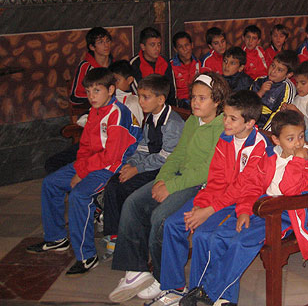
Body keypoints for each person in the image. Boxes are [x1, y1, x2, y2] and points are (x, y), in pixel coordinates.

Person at [108, 73, 230, 304]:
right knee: (133, 202)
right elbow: (177, 155)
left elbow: (207, 169)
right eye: (193, 97)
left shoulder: (221, 127)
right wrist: (161, 181)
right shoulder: (193, 121)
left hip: (197, 184)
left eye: (202, 98)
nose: (195, 102)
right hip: (177, 177)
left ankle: (165, 280)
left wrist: (171, 186)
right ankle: (136, 271)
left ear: (217, 101)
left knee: (160, 218)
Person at [179, 110, 308, 306]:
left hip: (285, 214)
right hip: (260, 207)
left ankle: (206, 292)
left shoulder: (306, 159)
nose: (298, 143)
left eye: (301, 136)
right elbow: (253, 185)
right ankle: (211, 293)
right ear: (276, 140)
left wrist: (298, 159)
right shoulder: (271, 154)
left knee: (241, 242)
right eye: (291, 138)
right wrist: (244, 211)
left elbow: (290, 189)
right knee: (217, 235)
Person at [158, 91, 268, 304]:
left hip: (243, 203)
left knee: (205, 235)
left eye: (232, 118)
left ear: (249, 123)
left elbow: (241, 188)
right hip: (219, 197)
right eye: (225, 115)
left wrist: (208, 211)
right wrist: (199, 206)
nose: (225, 122)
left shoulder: (259, 146)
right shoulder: (225, 138)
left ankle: (214, 295)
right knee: (173, 223)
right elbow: (216, 178)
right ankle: (175, 287)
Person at [28, 68, 140, 276]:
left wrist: (82, 173)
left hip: (113, 166)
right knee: (51, 183)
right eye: (88, 92)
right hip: (92, 162)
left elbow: (111, 156)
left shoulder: (117, 113)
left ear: (111, 90)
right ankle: (56, 238)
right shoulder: (95, 111)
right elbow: (85, 146)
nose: (91, 96)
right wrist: (80, 167)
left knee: (80, 195)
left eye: (96, 91)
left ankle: (87, 256)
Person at [102, 75, 184, 252]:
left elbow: (166, 157)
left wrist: (137, 169)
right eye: (139, 96)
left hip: (164, 170)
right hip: (149, 165)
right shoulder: (149, 119)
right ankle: (114, 232)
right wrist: (131, 164)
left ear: (161, 99)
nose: (140, 101)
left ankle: (129, 234)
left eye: (146, 97)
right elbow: (143, 147)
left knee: (125, 188)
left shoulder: (172, 123)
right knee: (114, 183)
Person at [251, 50, 298, 130]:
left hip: (268, 128)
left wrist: (263, 132)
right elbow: (246, 105)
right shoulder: (259, 80)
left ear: (289, 74)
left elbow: (279, 116)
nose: (273, 71)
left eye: (279, 70)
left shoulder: (287, 88)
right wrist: (260, 92)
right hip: (250, 121)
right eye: (273, 65)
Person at [130, 27, 177, 106]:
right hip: (143, 106)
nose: (157, 48)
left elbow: (171, 90)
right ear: (143, 47)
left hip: (164, 105)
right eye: (152, 45)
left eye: (159, 44)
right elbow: (138, 92)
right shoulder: (134, 64)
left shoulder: (165, 62)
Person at [69, 27, 113, 107]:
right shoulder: (85, 66)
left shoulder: (114, 65)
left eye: (108, 41)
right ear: (92, 47)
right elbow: (75, 97)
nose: (106, 45)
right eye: (100, 42)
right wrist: (99, 97)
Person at [281, 60, 308, 127]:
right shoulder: (297, 97)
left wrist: (298, 113)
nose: (298, 86)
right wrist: (285, 111)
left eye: (303, 83)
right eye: (297, 82)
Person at [171, 32, 200, 109]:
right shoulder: (170, 66)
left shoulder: (199, 64)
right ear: (175, 49)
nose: (185, 49)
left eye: (187, 45)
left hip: (198, 101)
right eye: (180, 47)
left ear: (192, 45)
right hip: (179, 106)